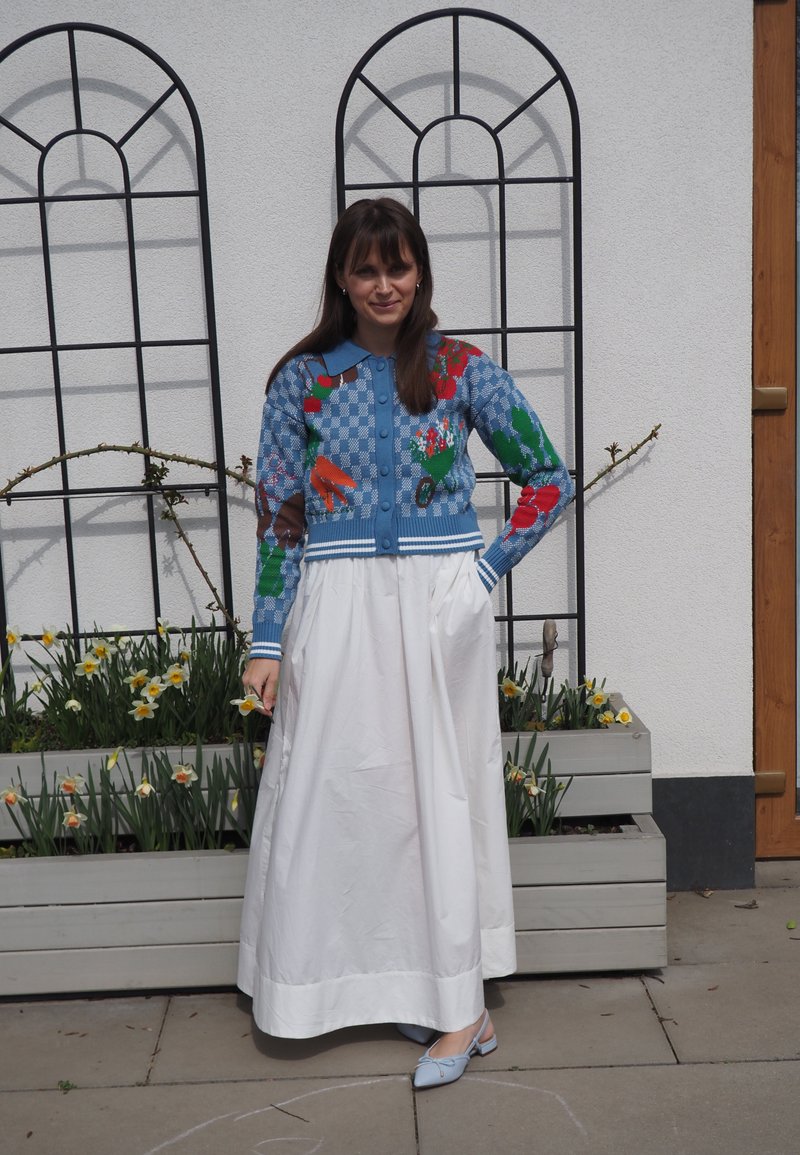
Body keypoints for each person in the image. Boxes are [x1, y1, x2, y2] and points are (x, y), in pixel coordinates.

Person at [237, 197, 574, 1089]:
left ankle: (461, 1007)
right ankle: (384, 978)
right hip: (336, 601)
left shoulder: (460, 369)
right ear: (341, 280)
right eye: (365, 269)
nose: (383, 284)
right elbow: (279, 515)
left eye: (398, 266)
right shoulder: (301, 381)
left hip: (438, 603)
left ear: (420, 271)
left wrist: (485, 571)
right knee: (342, 792)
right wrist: (266, 641)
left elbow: (549, 476)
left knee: (439, 793)